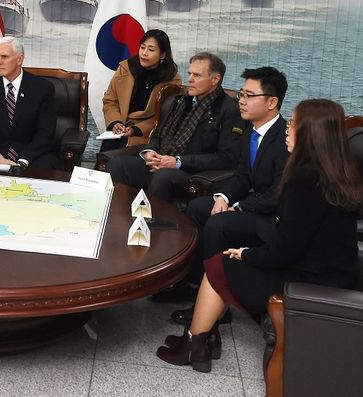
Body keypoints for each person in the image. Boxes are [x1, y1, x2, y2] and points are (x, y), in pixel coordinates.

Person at [156, 99, 362, 373]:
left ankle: (196, 345)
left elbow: (286, 249)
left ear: (311, 134)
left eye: (293, 124)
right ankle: (202, 340)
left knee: (219, 264)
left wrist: (247, 254)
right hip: (334, 273)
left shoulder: (305, 179)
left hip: (310, 280)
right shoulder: (339, 173)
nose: (288, 131)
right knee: (227, 259)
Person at [167, 67, 290, 322]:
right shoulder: (251, 130)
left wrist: (240, 207)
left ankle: (217, 301)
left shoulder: (285, 139)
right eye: (241, 94)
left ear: (272, 102)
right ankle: (193, 284)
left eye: (249, 95)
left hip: (272, 219)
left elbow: (278, 194)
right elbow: (242, 177)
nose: (241, 101)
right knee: (198, 209)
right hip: (255, 207)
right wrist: (223, 198)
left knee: (218, 224)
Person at [107, 52, 243, 202]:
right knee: (118, 164)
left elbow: (226, 158)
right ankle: (117, 216)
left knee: (162, 177)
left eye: (197, 75)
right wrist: (150, 152)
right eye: (189, 73)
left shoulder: (229, 110)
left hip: (191, 172)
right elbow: (158, 135)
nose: (190, 79)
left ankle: (151, 223)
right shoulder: (179, 101)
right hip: (161, 161)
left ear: (215, 79)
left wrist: (177, 162)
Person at [0, 36, 58, 169]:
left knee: (45, 166)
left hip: (32, 155)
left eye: (4, 57)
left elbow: (45, 132)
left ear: (19, 59)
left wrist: (23, 160)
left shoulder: (42, 88)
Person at [102, 29, 181, 149]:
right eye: (142, 47)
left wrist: (137, 130)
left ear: (163, 54)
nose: (144, 53)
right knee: (108, 149)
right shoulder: (125, 69)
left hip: (148, 135)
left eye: (151, 50)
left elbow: (166, 116)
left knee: (122, 154)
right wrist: (115, 122)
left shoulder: (172, 80)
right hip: (121, 128)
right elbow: (110, 101)